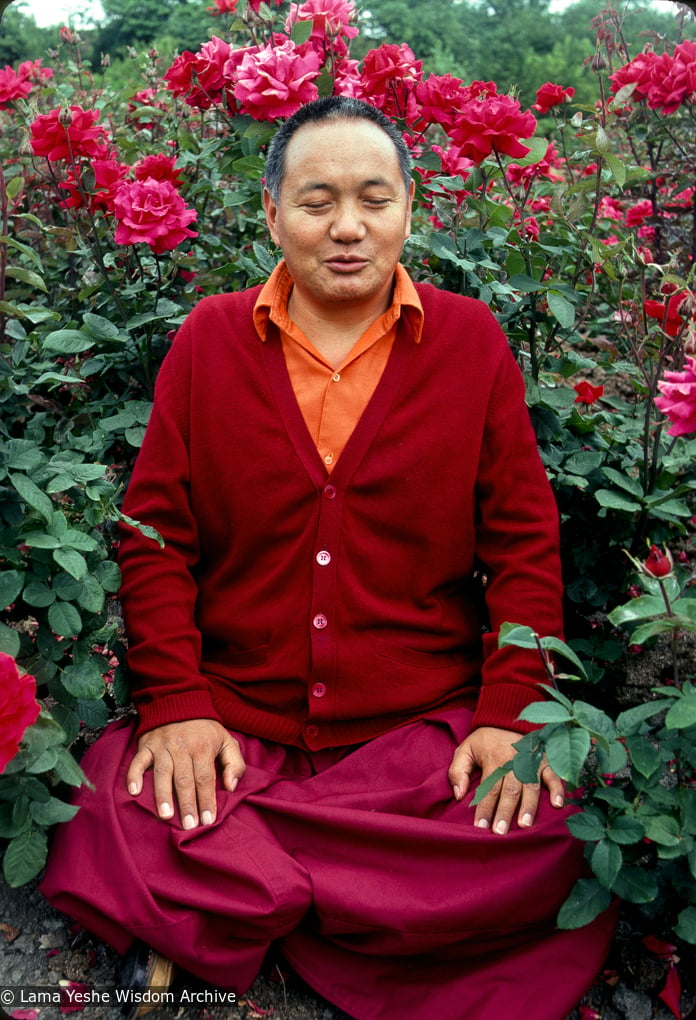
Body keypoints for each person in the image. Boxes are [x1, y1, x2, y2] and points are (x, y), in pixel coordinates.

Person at [41, 96, 616, 1020]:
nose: (347, 228)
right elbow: (155, 540)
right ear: (272, 214)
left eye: (373, 199)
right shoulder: (211, 339)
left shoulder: (471, 342)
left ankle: (229, 901)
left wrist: (508, 713)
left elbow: (522, 542)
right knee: (110, 788)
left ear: (410, 208)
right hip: (242, 727)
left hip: (416, 736)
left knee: (556, 824)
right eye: (316, 201)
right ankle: (361, 904)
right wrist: (178, 705)